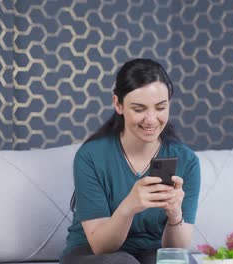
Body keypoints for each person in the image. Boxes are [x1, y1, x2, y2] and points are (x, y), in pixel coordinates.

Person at [61, 58, 201, 264]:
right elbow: (101, 246)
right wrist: (130, 206)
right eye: (139, 109)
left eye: (160, 108)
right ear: (118, 104)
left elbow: (176, 252)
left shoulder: (186, 161)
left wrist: (175, 214)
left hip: (151, 253)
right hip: (91, 253)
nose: (151, 119)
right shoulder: (91, 156)